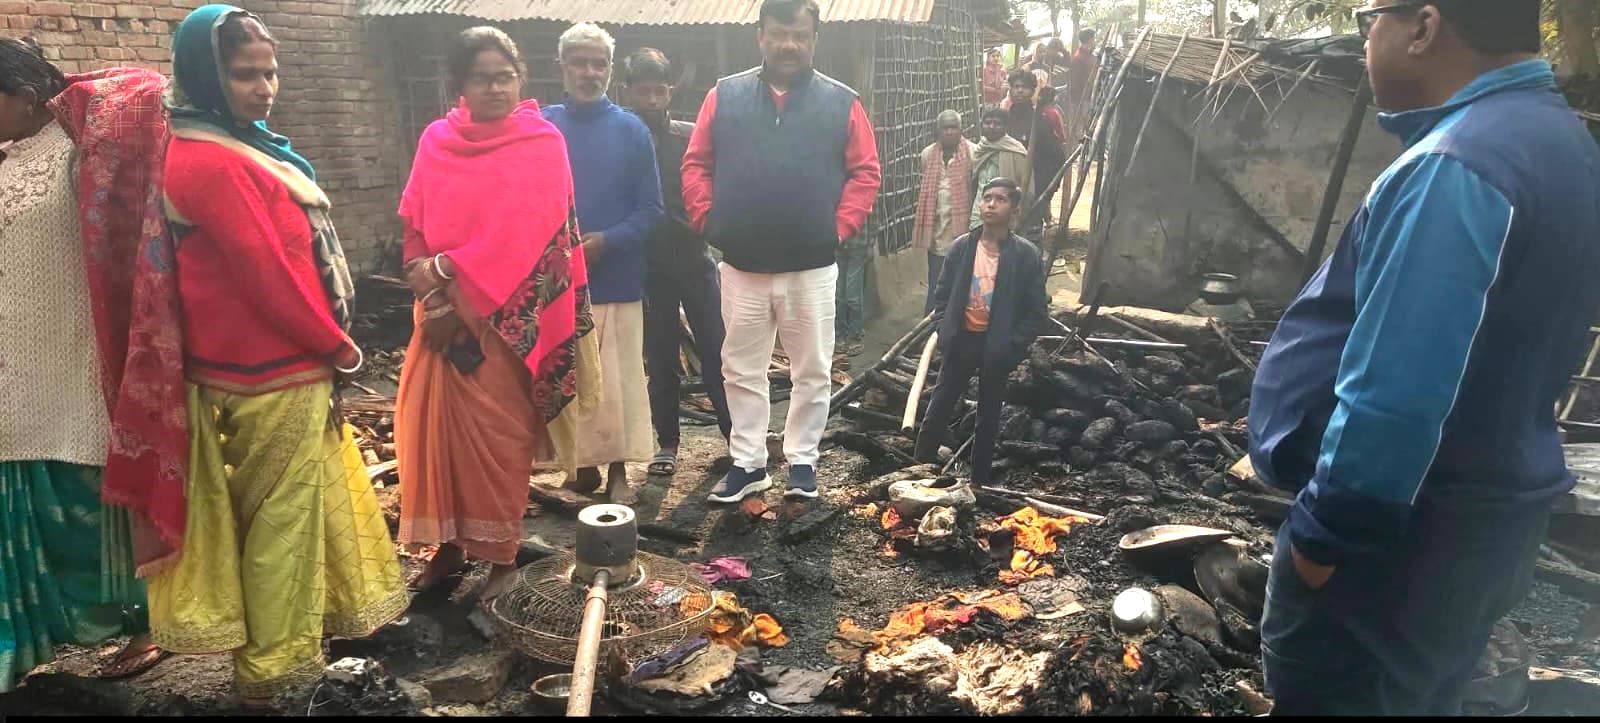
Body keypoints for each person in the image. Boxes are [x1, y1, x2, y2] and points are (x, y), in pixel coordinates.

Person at [1248, 0, 1600, 715]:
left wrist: (1320, 542)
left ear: (1425, 27)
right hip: (1475, 527)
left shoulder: (1457, 164)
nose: (1366, 38)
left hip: (1392, 553)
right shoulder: (1559, 140)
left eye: (1369, 19)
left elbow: (1396, 398)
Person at [148, 6, 407, 706]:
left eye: (271, 71)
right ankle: (273, 674)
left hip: (253, 366)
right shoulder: (212, 160)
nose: (265, 87)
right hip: (271, 369)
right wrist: (339, 347)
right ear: (205, 75)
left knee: (283, 516)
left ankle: (290, 644)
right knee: (281, 526)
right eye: (244, 74)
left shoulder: (237, 145)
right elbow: (270, 276)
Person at [395, 27, 600, 604]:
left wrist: (448, 280)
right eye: (481, 78)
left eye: (504, 76)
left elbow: (529, 236)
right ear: (459, 84)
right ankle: (450, 549)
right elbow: (415, 216)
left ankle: (502, 557)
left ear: (521, 79)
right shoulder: (437, 140)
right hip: (437, 313)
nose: (494, 88)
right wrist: (427, 282)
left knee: (500, 442)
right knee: (440, 439)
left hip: (505, 321)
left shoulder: (541, 142)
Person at [0, 37, 178, 691]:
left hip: (77, 348)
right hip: (11, 355)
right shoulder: (7, 151)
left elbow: (143, 92)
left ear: (24, 99)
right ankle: (29, 638)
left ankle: (143, 620)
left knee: (85, 482)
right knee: (16, 491)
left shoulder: (89, 145)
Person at [683, 0, 882, 503]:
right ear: (761, 36)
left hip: (811, 265)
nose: (789, 44)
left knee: (811, 369)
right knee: (740, 368)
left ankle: (802, 461)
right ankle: (749, 463)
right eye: (779, 34)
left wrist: (836, 228)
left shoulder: (841, 102)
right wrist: (709, 220)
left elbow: (865, 172)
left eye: (800, 35)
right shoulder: (724, 97)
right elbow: (696, 163)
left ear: (814, 39)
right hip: (742, 265)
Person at [544, 23, 664, 503]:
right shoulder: (544, 128)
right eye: (579, 61)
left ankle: (617, 471)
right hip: (556, 282)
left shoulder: (631, 129)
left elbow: (652, 210)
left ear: (610, 70)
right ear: (563, 67)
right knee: (569, 378)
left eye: (598, 63)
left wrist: (607, 241)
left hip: (615, 276)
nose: (589, 72)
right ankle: (581, 466)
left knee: (617, 380)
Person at [621, 47, 734, 477]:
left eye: (659, 90)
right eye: (643, 91)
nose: (652, 99)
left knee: (716, 351)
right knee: (662, 356)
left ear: (671, 91)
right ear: (628, 91)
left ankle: (734, 437)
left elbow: (718, 185)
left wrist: (711, 229)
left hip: (695, 259)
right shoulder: (625, 141)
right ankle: (667, 443)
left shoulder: (689, 137)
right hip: (649, 269)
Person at [912, 178, 1049, 485]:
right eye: (986, 198)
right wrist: (943, 330)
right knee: (940, 404)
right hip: (961, 340)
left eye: (999, 199)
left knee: (988, 416)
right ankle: (917, 471)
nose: (990, 204)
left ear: (1014, 209)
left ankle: (980, 482)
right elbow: (942, 295)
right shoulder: (962, 247)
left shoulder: (1024, 255)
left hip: (997, 345)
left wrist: (1013, 346)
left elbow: (1037, 310)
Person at [912, 109, 978, 313]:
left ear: (961, 129)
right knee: (937, 280)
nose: (949, 132)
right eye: (945, 128)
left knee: (964, 280)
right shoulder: (927, 155)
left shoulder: (973, 153)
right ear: (938, 130)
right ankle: (933, 322)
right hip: (937, 234)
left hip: (963, 231)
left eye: (953, 127)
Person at [1002, 70, 1067, 230]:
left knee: (1030, 232)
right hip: (1006, 189)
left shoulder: (1040, 121)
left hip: (1032, 189)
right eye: (1015, 86)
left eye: (1024, 87)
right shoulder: (1004, 120)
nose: (1019, 91)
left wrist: (1041, 190)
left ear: (1032, 91)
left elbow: (1057, 157)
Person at [969, 105, 1032, 228]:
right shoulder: (980, 149)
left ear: (1006, 127)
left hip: (1005, 212)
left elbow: (1026, 186)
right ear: (982, 124)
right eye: (988, 123)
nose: (992, 127)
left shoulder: (1015, 150)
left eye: (997, 124)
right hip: (979, 210)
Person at [1065, 29, 1100, 143]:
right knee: (1079, 130)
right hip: (1081, 100)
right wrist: (1078, 104)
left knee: (1089, 128)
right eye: (1094, 39)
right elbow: (1075, 83)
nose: (1095, 41)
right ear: (1089, 40)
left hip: (1091, 98)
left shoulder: (1092, 57)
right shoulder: (1078, 58)